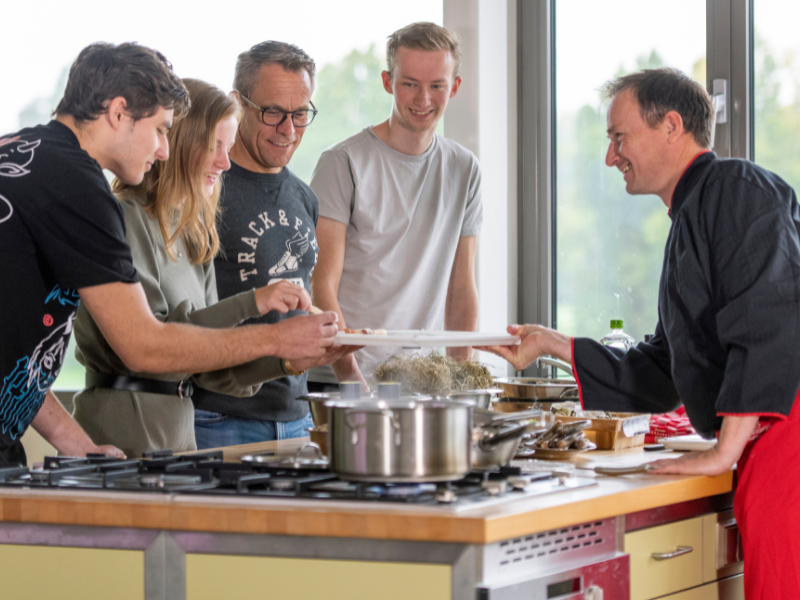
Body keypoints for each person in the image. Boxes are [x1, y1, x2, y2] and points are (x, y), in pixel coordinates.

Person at [480, 68, 800, 599]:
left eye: (618, 137)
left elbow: (772, 319)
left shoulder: (737, 188)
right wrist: (553, 344)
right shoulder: (692, 217)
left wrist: (723, 452)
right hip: (764, 445)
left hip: (787, 438)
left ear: (671, 126)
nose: (611, 157)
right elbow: (660, 369)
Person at [0, 42, 339, 465]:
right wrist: (275, 336)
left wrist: (77, 445)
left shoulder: (22, 153)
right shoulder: (79, 188)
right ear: (119, 112)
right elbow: (143, 347)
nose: (164, 149)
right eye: (161, 129)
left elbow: (16, 362)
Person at [71, 79, 352, 458]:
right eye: (214, 146)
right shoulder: (123, 216)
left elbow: (207, 367)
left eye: (229, 147)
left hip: (179, 439)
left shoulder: (195, 234)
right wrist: (253, 302)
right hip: (122, 435)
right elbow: (155, 348)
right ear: (181, 143)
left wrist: (288, 361)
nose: (225, 162)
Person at [309, 22, 482, 391]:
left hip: (422, 383)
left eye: (436, 85)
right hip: (342, 380)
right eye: (410, 84)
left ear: (455, 86)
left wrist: (459, 382)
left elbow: (461, 289)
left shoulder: (464, 168)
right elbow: (321, 284)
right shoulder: (343, 162)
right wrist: (355, 384)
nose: (423, 99)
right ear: (388, 82)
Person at [190, 42, 326, 447]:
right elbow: (181, 320)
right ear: (237, 103)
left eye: (300, 114)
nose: (288, 130)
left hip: (298, 415)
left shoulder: (304, 198)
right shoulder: (206, 188)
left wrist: (333, 334)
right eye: (273, 113)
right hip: (219, 418)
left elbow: (295, 295)